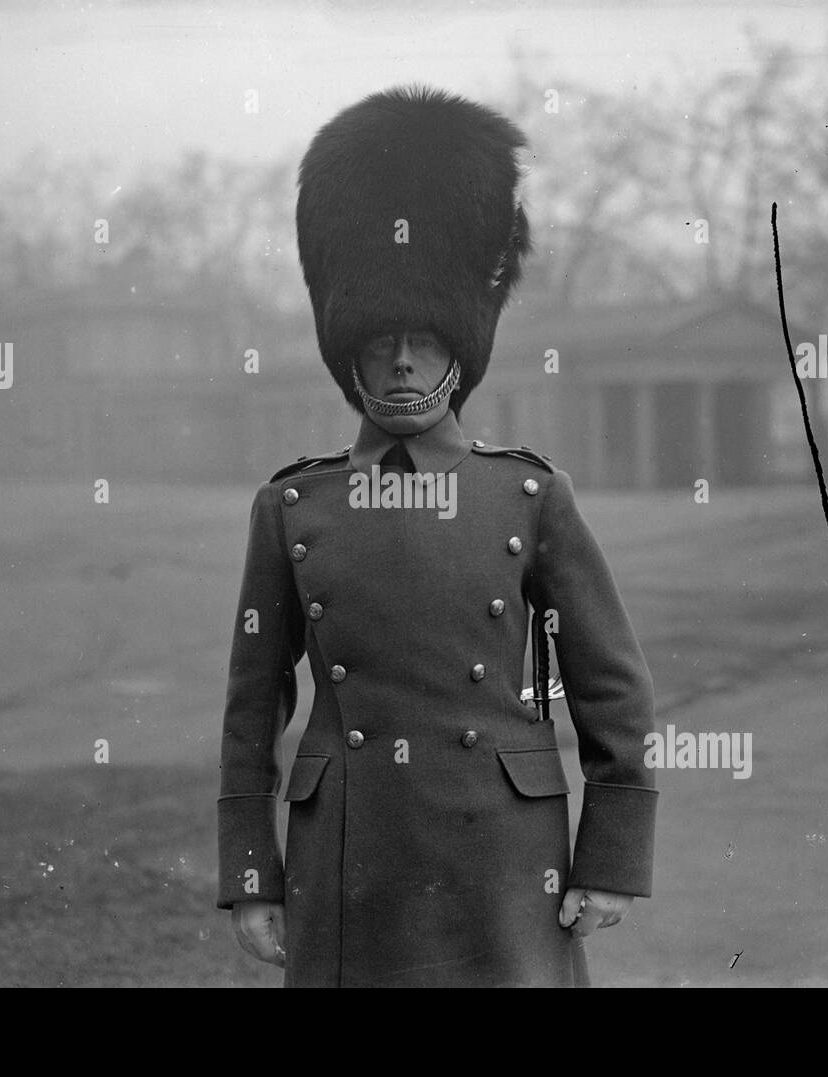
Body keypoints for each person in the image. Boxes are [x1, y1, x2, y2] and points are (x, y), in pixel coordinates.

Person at [216, 86, 657, 987]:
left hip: (503, 853)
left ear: (464, 348)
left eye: (424, 339)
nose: (404, 361)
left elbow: (610, 688)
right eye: (381, 343)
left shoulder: (532, 497)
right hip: (348, 850)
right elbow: (251, 710)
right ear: (349, 354)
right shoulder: (293, 509)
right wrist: (252, 877)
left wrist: (612, 854)